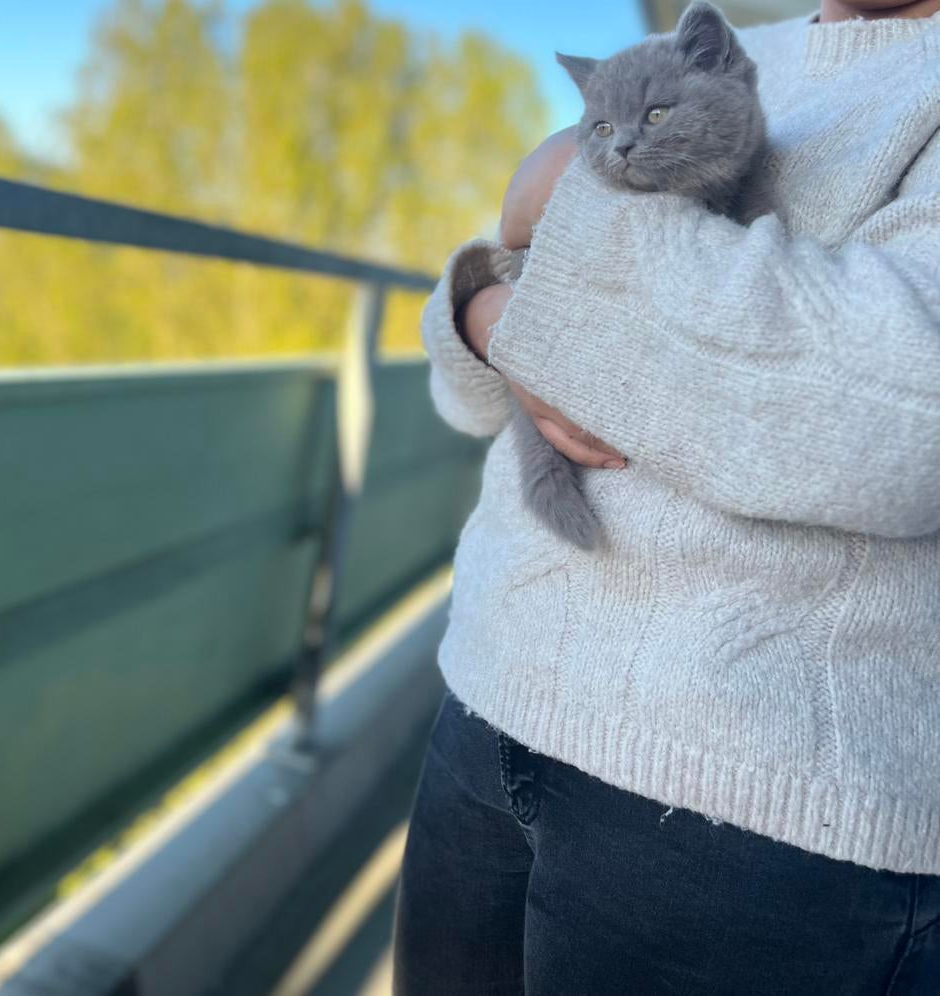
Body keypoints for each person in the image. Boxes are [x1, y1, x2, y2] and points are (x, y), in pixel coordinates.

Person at [393, 2, 940, 993]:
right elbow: (468, 374)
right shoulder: (717, 54)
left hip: (756, 810)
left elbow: (903, 417)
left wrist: (564, 188)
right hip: (490, 696)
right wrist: (483, 306)